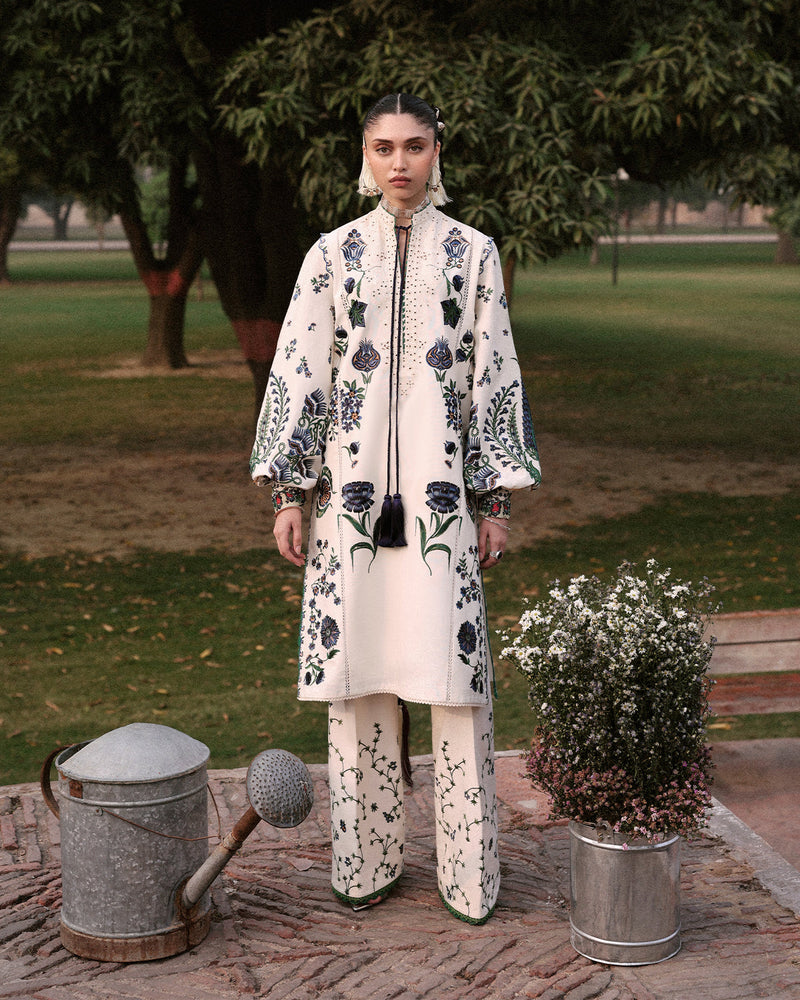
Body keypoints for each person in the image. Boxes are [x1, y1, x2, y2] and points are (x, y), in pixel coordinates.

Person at [250, 93, 540, 924]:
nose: (400, 162)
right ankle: (366, 860)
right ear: (365, 155)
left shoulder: (474, 255)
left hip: (442, 510)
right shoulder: (332, 255)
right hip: (349, 510)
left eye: (415, 146)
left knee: (455, 687)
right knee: (359, 682)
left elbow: (493, 378)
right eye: (384, 147)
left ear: (437, 151)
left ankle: (468, 875)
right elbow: (300, 371)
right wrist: (290, 494)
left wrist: (493, 503)